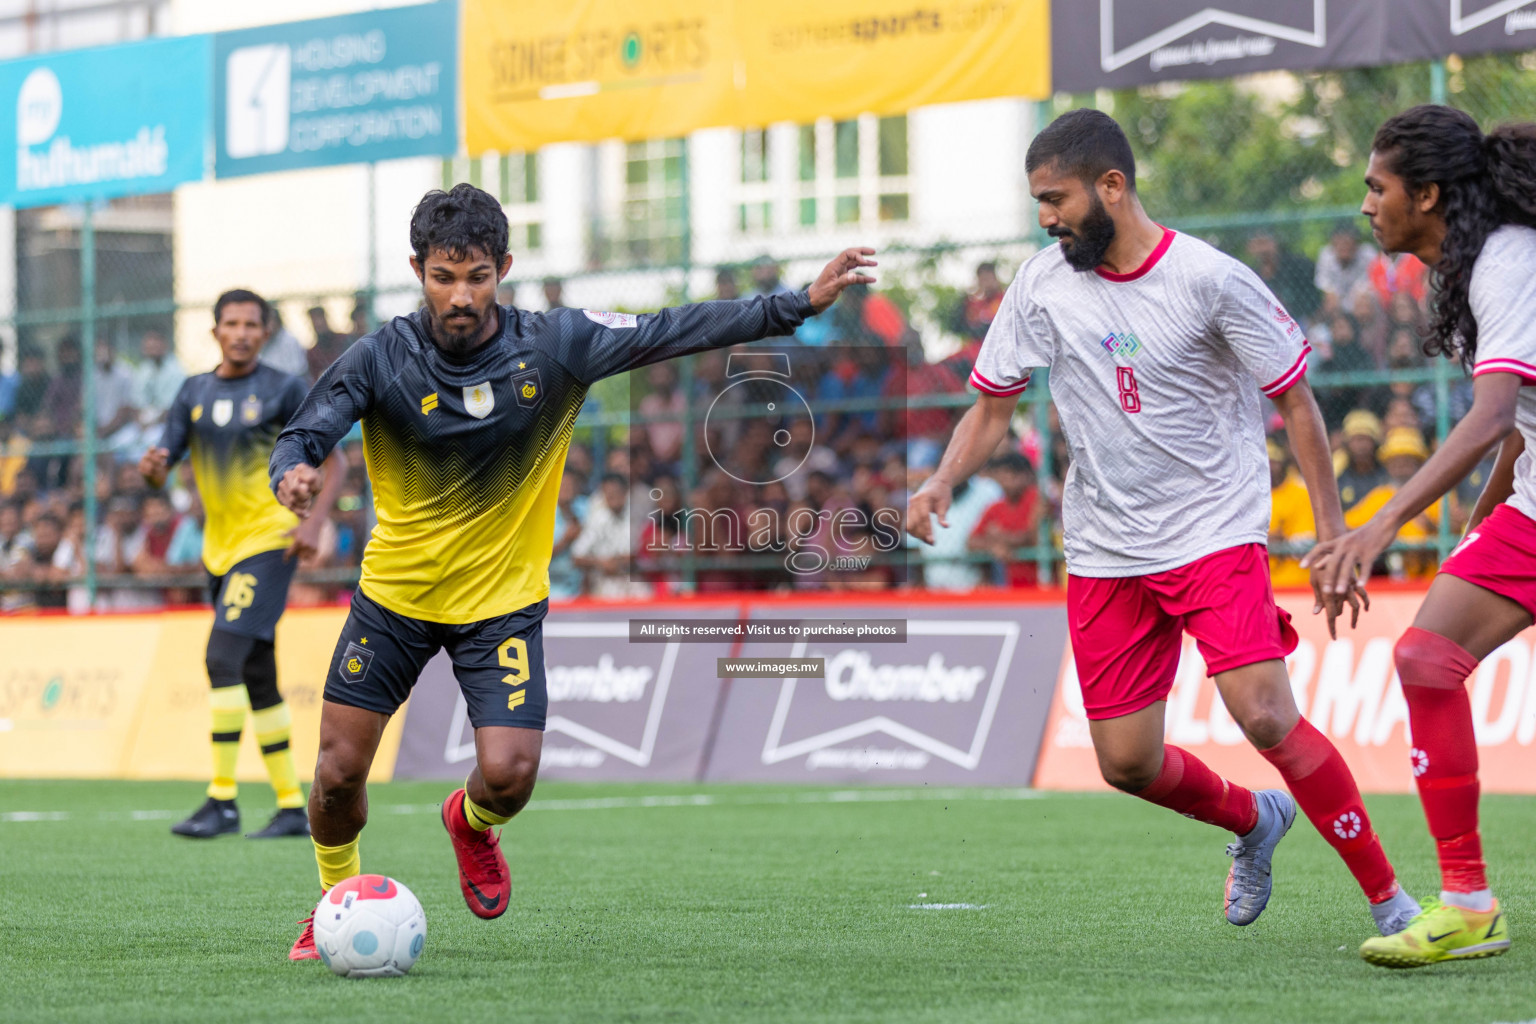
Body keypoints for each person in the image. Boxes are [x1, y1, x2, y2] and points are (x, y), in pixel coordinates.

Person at [267, 183, 875, 960]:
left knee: (509, 778)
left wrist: (794, 304)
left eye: (477, 276)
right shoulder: (379, 356)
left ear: (505, 269)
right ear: (417, 269)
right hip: (394, 600)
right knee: (337, 774)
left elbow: (671, 329)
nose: (460, 295)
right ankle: (334, 901)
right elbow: (306, 431)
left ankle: (469, 824)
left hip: (502, 606)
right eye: (444, 276)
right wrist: (295, 470)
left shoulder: (556, 343)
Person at [907, 109, 1417, 943]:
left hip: (1214, 531)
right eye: (1038, 201)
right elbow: (992, 408)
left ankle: (1392, 902)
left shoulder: (1211, 280)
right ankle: (1256, 822)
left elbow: (1294, 399)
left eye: (1055, 198)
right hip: (1106, 547)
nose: (1045, 217)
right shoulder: (1041, 284)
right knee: (1129, 765)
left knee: (1264, 715)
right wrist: (939, 480)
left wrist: (1331, 530)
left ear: (1112, 185)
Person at [1304, 105, 1536, 968]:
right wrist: (1492, 507)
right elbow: (1520, 416)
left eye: (1378, 186)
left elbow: (1492, 412)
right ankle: (1470, 904)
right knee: (1426, 660)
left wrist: (1380, 525)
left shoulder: (1508, 263)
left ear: (1428, 194)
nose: (1366, 204)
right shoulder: (1483, 262)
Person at [139, 289, 345, 842]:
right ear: (215, 332)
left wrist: (309, 523)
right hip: (219, 551)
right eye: (230, 323)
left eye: (252, 324)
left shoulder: (283, 388)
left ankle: (222, 800)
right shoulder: (193, 391)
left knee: (221, 655)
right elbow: (161, 469)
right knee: (257, 675)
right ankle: (288, 806)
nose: (241, 333)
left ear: (266, 330)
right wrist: (154, 470)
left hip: (269, 542)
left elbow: (337, 459)